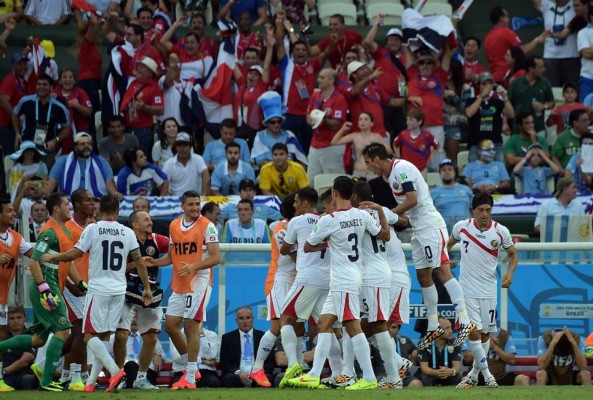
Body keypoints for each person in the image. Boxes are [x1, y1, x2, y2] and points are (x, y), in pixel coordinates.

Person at [361, 143, 476, 351]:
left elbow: (412, 200)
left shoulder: (401, 169)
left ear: (377, 159)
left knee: (442, 271)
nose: (368, 167)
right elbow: (408, 209)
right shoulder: (389, 177)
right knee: (423, 275)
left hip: (430, 226)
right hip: (419, 229)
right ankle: (433, 324)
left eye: (368, 162)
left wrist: (386, 212)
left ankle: (464, 320)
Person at [41, 195, 152, 393]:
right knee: (103, 337)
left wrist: (54, 256)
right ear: (118, 211)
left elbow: (75, 254)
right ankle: (91, 383)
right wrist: (147, 287)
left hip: (98, 289)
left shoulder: (93, 228)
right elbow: (140, 262)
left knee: (87, 336)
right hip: (119, 290)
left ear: (100, 211)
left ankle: (115, 370)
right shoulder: (127, 232)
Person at [289, 176, 390, 390]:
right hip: (352, 274)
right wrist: (380, 211)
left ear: (334, 193)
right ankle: (314, 374)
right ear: (352, 194)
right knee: (324, 323)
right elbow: (382, 234)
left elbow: (307, 247)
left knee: (352, 327)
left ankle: (369, 378)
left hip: (343, 278)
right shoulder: (361, 215)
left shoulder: (329, 220)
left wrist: (331, 242)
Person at [0, 193, 83, 392]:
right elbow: (35, 260)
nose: (69, 208)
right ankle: (46, 381)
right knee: (63, 331)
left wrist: (80, 282)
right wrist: (44, 287)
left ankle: (42, 373)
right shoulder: (49, 232)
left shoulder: (63, 231)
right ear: (56, 208)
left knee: (39, 339)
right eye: (66, 204)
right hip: (47, 286)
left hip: (51, 284)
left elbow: (64, 259)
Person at [145, 190, 221, 389]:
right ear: (182, 206)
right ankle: (192, 366)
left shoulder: (208, 226)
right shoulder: (174, 225)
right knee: (170, 326)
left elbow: (215, 257)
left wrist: (194, 266)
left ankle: (189, 376)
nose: (195, 208)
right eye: (191, 204)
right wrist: (153, 261)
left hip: (200, 280)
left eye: (197, 203)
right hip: (180, 282)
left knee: (190, 325)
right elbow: (171, 257)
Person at [448, 191, 518, 388]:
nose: (485, 214)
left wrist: (510, 274)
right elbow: (447, 245)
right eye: (481, 210)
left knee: (486, 334)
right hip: (467, 289)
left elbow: (513, 255)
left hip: (488, 290)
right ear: (473, 211)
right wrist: (447, 264)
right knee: (474, 332)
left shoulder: (500, 231)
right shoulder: (461, 227)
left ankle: (472, 375)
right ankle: (487, 376)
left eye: (488, 210)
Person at [349, 180, 408, 389]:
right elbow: (403, 221)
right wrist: (383, 213)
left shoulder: (356, 214)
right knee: (367, 325)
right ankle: (397, 366)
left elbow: (386, 233)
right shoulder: (379, 210)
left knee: (377, 324)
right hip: (379, 272)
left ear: (355, 197)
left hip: (373, 274)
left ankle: (393, 377)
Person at [276, 188, 331, 388]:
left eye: (297, 201)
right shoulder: (327, 219)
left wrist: (290, 242)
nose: (294, 205)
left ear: (306, 204)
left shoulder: (296, 221)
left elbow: (284, 249)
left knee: (286, 318)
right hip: (327, 278)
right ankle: (341, 372)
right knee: (327, 327)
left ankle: (293, 364)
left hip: (308, 276)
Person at [113, 210, 168, 389]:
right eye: (146, 220)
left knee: (151, 337)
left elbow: (176, 250)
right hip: (126, 292)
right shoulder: (124, 240)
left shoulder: (158, 240)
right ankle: (119, 376)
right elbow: (116, 267)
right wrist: (138, 262)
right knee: (121, 336)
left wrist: (155, 262)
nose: (150, 222)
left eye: (150, 219)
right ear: (135, 224)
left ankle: (141, 379)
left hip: (149, 293)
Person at [248, 194, 296, 388]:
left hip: (296, 281)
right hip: (279, 281)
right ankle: (257, 367)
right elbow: (295, 257)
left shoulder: (299, 225)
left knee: (297, 327)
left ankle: (296, 366)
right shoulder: (281, 228)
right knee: (278, 326)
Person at [275, 10, 334, 155]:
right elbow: (280, 43)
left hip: (309, 116)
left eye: (303, 49)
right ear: (293, 53)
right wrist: (278, 22)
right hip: (289, 114)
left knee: (308, 149)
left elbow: (326, 53)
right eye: (297, 50)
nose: (300, 52)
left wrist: (334, 40)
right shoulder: (286, 64)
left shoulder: (312, 66)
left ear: (307, 53)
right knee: (289, 149)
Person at [60, 189, 95, 391]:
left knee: (76, 334)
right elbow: (65, 259)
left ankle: (64, 374)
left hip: (86, 286)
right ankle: (75, 378)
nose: (92, 204)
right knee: (81, 331)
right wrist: (72, 286)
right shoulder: (68, 229)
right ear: (78, 205)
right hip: (73, 287)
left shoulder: (91, 227)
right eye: (88, 201)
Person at [403, 45, 456, 170]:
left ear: (434, 65)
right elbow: (406, 49)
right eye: (421, 62)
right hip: (415, 125)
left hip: (435, 125)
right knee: (414, 153)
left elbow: (448, 53)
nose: (425, 65)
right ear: (418, 64)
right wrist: (408, 98)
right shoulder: (412, 75)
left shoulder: (439, 77)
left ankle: (437, 183)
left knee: (437, 153)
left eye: (429, 62)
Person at [0, 198, 34, 392]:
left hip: (3, 297)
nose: (13, 214)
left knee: (2, 335)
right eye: (9, 211)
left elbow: (33, 252)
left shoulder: (16, 237)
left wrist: (45, 258)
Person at [364, 19, 408, 138]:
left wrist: (403, 91)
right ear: (386, 42)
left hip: (398, 105)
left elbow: (404, 83)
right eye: (391, 39)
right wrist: (377, 23)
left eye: (397, 40)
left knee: (401, 136)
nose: (394, 42)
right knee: (383, 136)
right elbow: (368, 41)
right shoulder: (381, 53)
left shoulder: (406, 59)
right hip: (380, 104)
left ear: (401, 43)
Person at [12, 74, 70, 161]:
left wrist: (56, 140)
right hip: (26, 145)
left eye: (45, 85)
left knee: (46, 174)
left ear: (51, 87)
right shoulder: (26, 101)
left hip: (47, 147)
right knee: (23, 173)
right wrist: (17, 133)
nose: (41, 87)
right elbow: (15, 114)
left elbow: (67, 128)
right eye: (39, 84)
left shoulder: (59, 107)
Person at [48, 132, 122, 199]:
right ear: (75, 147)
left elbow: (109, 181)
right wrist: (46, 191)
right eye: (82, 144)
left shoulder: (100, 161)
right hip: (69, 200)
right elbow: (52, 181)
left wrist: (115, 193)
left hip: (96, 199)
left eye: (89, 143)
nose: (86, 146)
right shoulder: (64, 160)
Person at [305, 68, 348, 182]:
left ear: (331, 81)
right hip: (315, 144)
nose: (318, 80)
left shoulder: (339, 99)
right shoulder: (315, 96)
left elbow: (335, 124)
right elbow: (308, 117)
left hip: (332, 145)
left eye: (322, 77)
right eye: (319, 77)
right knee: (311, 179)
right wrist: (312, 121)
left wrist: (322, 119)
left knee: (333, 180)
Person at [484, 6, 546, 83]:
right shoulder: (506, 32)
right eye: (507, 16)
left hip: (495, 78)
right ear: (501, 19)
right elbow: (523, 50)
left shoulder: (487, 38)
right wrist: (537, 40)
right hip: (508, 77)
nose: (508, 19)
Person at [465, 71, 515, 162]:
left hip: (495, 144)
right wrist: (481, 96)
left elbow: (511, 114)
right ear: (478, 85)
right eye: (484, 84)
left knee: (499, 170)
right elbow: (469, 113)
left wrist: (505, 97)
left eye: (489, 84)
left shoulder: (497, 102)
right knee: (475, 171)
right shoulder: (471, 101)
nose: (487, 87)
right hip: (476, 144)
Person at [220, 306, 276, 387]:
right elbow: (225, 364)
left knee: (269, 378)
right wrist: (239, 372)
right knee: (229, 379)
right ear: (236, 321)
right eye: (241, 318)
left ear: (253, 319)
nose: (245, 321)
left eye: (248, 318)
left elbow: (270, 362)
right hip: (237, 375)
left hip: (258, 373)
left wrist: (257, 372)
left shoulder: (264, 337)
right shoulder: (227, 338)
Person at [120, 57, 164, 157]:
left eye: (143, 67)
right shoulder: (133, 83)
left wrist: (144, 107)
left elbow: (161, 110)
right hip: (127, 128)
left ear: (150, 73)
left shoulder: (154, 89)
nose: (139, 68)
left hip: (142, 130)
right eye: (139, 66)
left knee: (139, 158)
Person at [251, 91, 308, 168]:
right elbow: (260, 162)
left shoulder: (289, 136)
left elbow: (302, 162)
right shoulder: (260, 137)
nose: (276, 124)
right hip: (268, 173)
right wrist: (279, 169)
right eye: (273, 122)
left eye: (279, 121)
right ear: (267, 123)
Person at [533, 0, 580, 88]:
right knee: (552, 91)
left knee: (572, 91)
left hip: (572, 57)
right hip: (551, 58)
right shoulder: (547, 5)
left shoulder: (575, 4)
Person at [462, 328, 531, 386]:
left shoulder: (504, 335)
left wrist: (495, 347)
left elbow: (512, 360)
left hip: (500, 376)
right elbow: (467, 358)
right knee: (465, 380)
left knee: (523, 379)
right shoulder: (473, 334)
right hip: (479, 375)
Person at [332, 114, 392, 179]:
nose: (363, 121)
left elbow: (390, 152)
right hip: (358, 172)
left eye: (366, 119)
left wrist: (378, 147)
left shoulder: (376, 136)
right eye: (360, 119)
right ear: (358, 123)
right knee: (354, 187)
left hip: (373, 172)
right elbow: (334, 142)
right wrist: (343, 129)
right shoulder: (354, 136)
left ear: (372, 123)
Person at [508, 55, 555, 136]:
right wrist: (505, 123)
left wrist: (544, 106)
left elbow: (552, 102)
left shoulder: (545, 83)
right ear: (530, 69)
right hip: (518, 129)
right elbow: (508, 104)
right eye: (540, 67)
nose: (544, 69)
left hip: (538, 128)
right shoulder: (516, 83)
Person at [53, 69, 93, 154]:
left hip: (79, 132)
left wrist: (77, 106)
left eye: (70, 77)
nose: (68, 80)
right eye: (65, 77)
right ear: (60, 81)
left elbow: (89, 113)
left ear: (74, 81)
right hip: (58, 133)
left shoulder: (80, 93)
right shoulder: (54, 93)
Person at [0, 305, 37, 390]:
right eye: (12, 318)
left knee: (30, 380)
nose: (16, 321)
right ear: (7, 320)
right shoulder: (2, 336)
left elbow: (25, 360)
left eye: (19, 317)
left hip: (23, 375)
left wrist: (3, 372)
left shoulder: (31, 336)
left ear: (24, 318)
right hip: (3, 377)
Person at [430, 159, 473, 233]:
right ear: (440, 174)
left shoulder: (466, 190)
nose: (447, 172)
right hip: (444, 233)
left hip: (466, 233)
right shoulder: (433, 193)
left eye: (450, 169)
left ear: (454, 172)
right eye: (444, 170)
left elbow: (474, 210)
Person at [0, 53, 30, 157]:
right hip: (6, 127)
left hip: (13, 127)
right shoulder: (10, 80)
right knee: (10, 157)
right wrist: (16, 118)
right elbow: (3, 101)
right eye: (19, 64)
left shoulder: (22, 81)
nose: (23, 66)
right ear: (12, 66)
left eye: (25, 63)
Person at [416, 318, 462, 387]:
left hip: (448, 374)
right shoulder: (424, 343)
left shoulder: (455, 342)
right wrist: (436, 372)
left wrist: (451, 371)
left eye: (450, 327)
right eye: (447, 328)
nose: (451, 331)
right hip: (431, 374)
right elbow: (424, 368)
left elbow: (457, 367)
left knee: (457, 377)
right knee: (425, 378)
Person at [393, 109, 438, 174]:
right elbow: (395, 144)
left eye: (411, 120)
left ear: (419, 122)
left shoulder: (427, 136)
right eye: (407, 119)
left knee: (422, 184)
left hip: (422, 170)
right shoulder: (403, 134)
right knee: (404, 183)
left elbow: (437, 146)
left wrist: (429, 158)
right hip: (405, 170)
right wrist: (398, 157)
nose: (408, 122)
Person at [388, 323, 422, 388]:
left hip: (403, 374)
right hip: (384, 375)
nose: (390, 330)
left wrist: (412, 365)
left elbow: (415, 352)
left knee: (416, 383)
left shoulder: (405, 340)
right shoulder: (375, 341)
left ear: (398, 329)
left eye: (394, 327)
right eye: (388, 327)